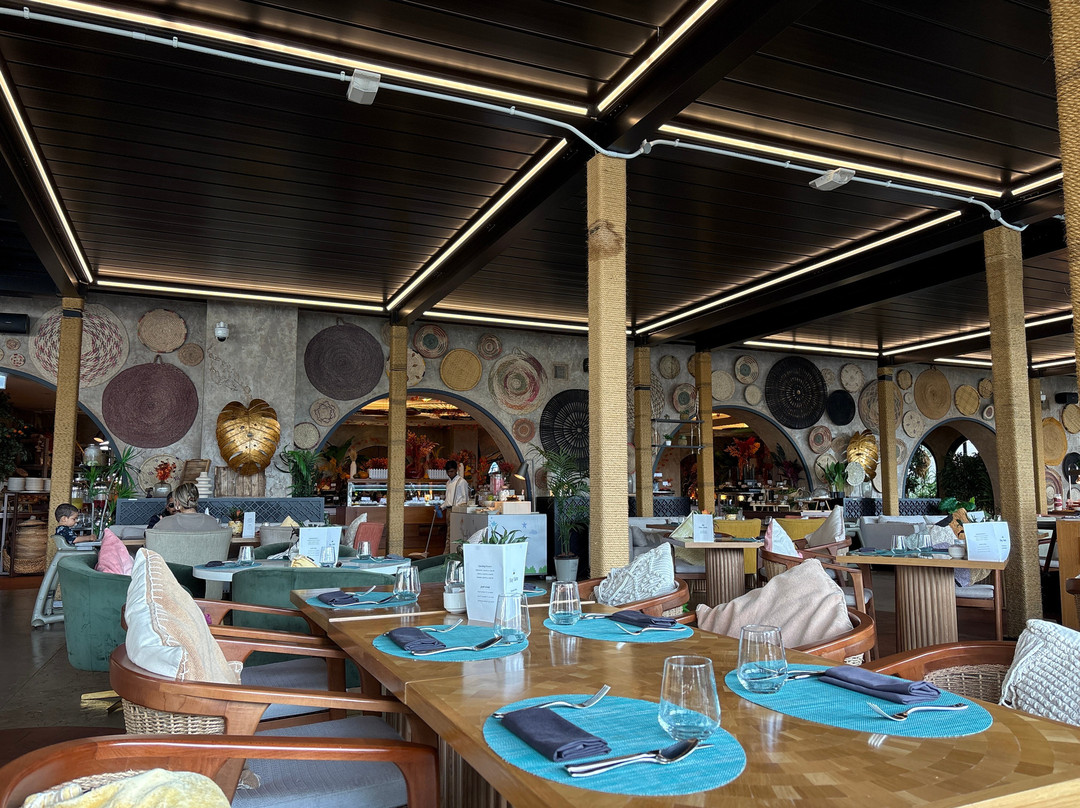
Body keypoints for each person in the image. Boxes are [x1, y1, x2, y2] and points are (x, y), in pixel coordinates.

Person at [150, 483, 221, 532]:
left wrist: (162, 523)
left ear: (177, 503)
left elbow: (151, 545)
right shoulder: (212, 522)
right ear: (196, 499)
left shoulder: (164, 524)